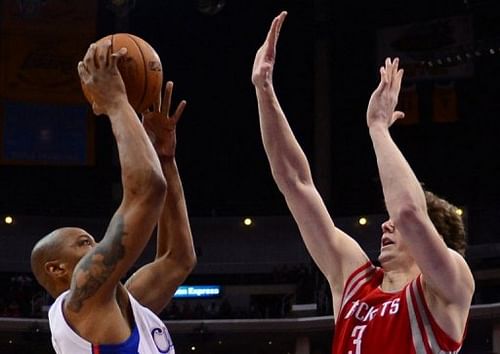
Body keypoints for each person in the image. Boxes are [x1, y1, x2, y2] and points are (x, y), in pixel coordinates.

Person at [252, 11, 474, 353]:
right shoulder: (354, 279)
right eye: (388, 221)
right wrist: (264, 90)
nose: (386, 225)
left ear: (434, 238)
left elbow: (409, 214)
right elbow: (295, 183)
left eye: (393, 224)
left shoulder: (449, 288)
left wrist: (378, 127)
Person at [30, 40, 196, 353]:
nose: (97, 244)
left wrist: (165, 159)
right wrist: (116, 101)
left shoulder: (120, 303)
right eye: (83, 243)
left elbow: (177, 259)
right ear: (56, 269)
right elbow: (146, 190)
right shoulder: (81, 301)